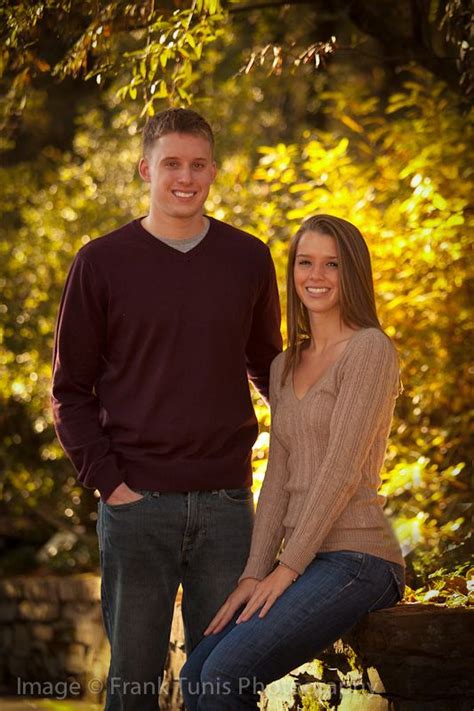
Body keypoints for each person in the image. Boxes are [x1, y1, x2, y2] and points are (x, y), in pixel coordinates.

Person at [51, 108, 282, 710]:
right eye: (172, 164)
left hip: (227, 506)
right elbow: (70, 391)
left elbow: (269, 368)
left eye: (198, 164)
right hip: (136, 507)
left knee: (225, 682)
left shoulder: (248, 259)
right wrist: (110, 484)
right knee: (132, 683)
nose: (186, 177)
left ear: (213, 170)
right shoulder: (100, 262)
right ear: (145, 169)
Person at [180, 214, 406, 710]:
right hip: (307, 561)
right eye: (306, 262)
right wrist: (253, 575)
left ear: (354, 274)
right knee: (197, 670)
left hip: (360, 558)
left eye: (332, 264)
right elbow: (278, 478)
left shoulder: (370, 350)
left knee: (223, 676)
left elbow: (342, 470)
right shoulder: (284, 365)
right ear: (293, 271)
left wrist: (287, 568)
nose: (316, 275)